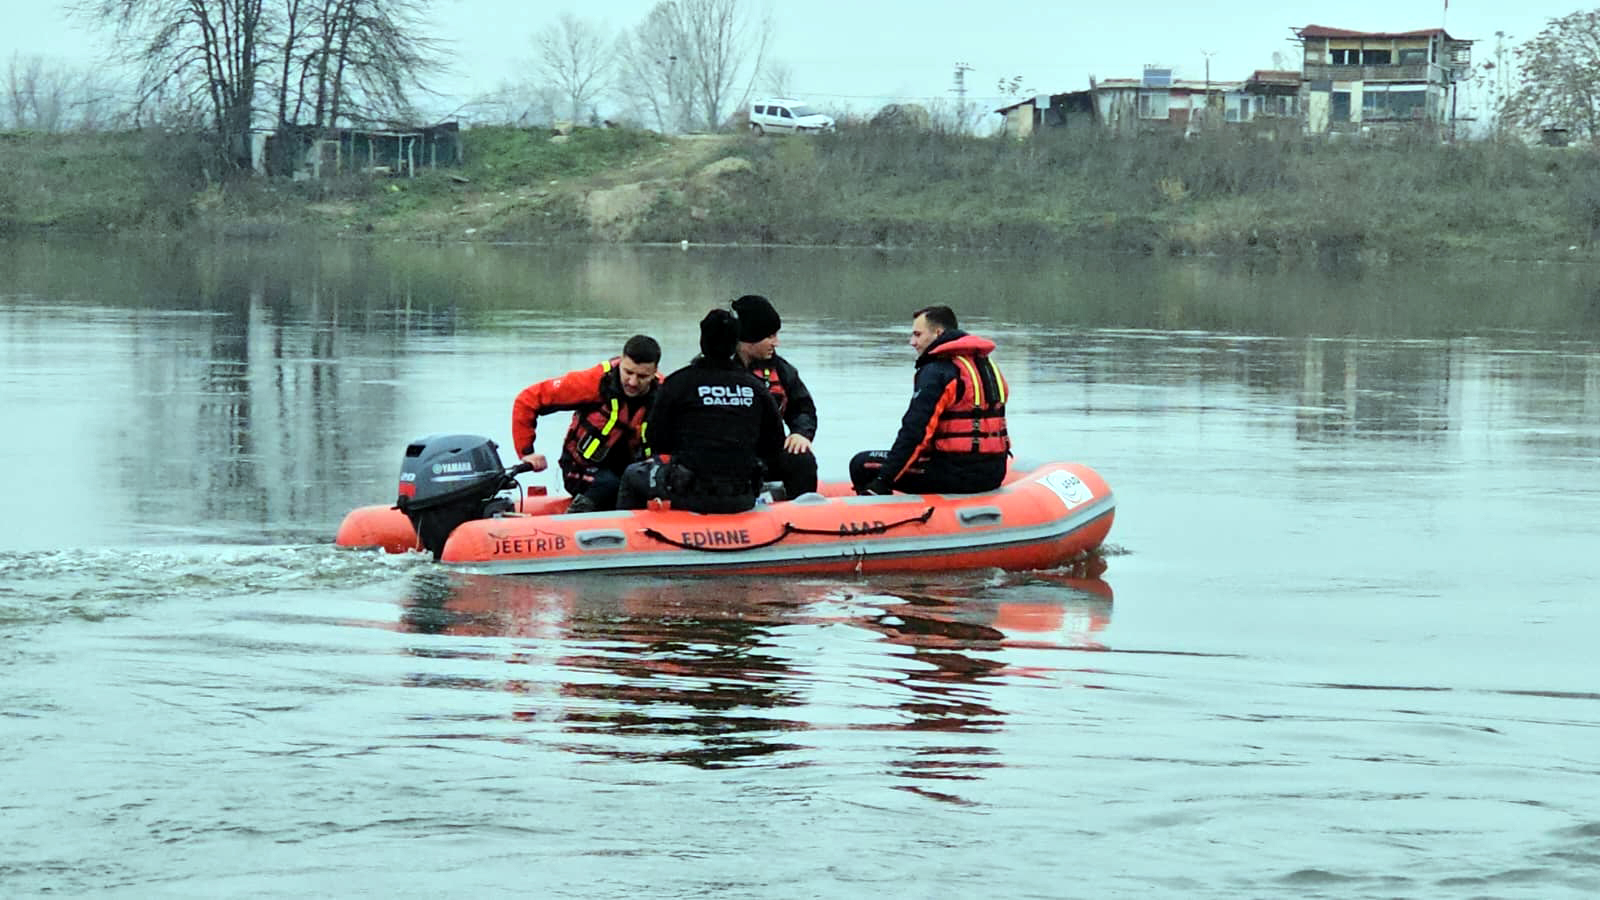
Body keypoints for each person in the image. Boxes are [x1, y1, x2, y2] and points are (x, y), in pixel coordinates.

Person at [618, 309, 785, 514]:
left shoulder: (677, 383)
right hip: (741, 497)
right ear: (735, 344)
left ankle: (629, 528)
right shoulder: (756, 388)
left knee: (632, 474)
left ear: (702, 341)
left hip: (687, 496)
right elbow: (774, 443)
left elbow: (656, 439)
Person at [850, 305, 1010, 496]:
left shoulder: (938, 371)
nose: (912, 342)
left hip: (955, 474)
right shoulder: (987, 366)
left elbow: (914, 433)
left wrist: (883, 481)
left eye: (918, 335)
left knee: (861, 464)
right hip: (994, 472)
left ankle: (877, 510)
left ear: (938, 333)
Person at [510, 334, 662, 513]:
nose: (633, 382)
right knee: (610, 484)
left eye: (642, 376)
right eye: (628, 372)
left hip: (633, 471)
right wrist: (527, 453)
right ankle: (575, 517)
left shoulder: (664, 393)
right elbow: (527, 400)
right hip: (581, 469)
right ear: (621, 361)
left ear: (654, 371)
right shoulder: (594, 382)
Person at [731, 294, 819, 499]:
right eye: (770, 337)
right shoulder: (716, 367)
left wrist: (801, 433)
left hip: (770, 455)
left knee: (802, 458)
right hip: (729, 456)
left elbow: (803, 408)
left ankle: (803, 513)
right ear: (749, 339)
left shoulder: (782, 370)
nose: (776, 343)